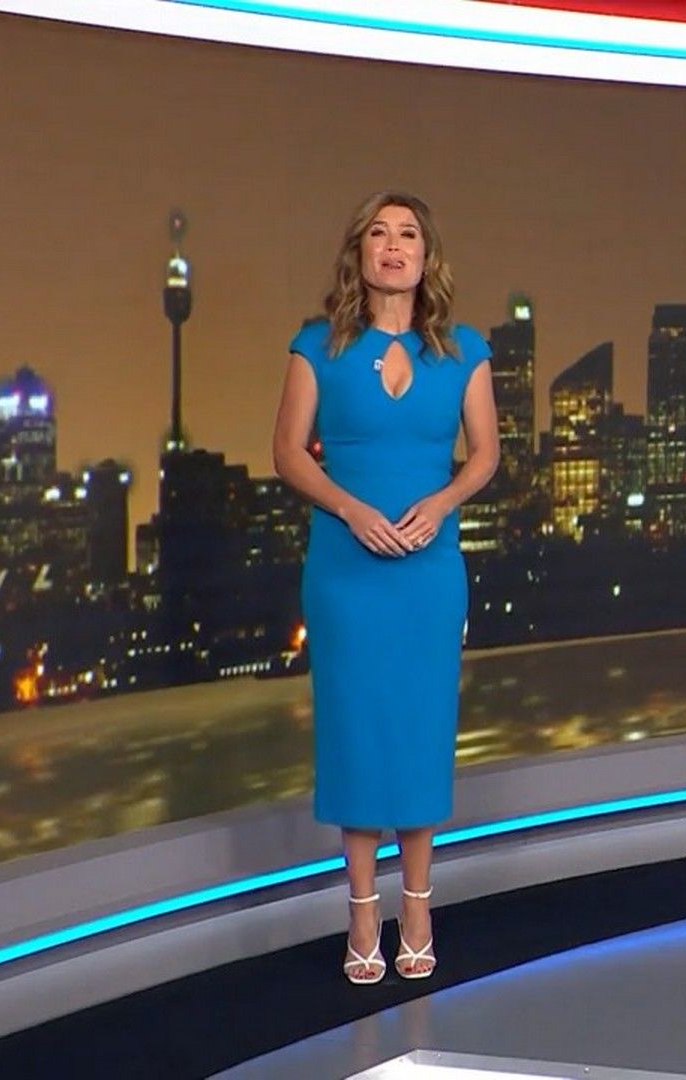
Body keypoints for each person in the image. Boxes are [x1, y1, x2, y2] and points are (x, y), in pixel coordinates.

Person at [271, 191, 498, 983]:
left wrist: (440, 504)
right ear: (359, 253)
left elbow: (485, 455)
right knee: (358, 731)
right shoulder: (316, 345)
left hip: (429, 573)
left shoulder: (464, 350)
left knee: (421, 730)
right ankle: (364, 911)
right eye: (379, 233)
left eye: (407, 234)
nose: (393, 246)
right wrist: (351, 510)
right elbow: (288, 453)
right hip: (346, 571)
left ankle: (419, 906)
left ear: (427, 257)